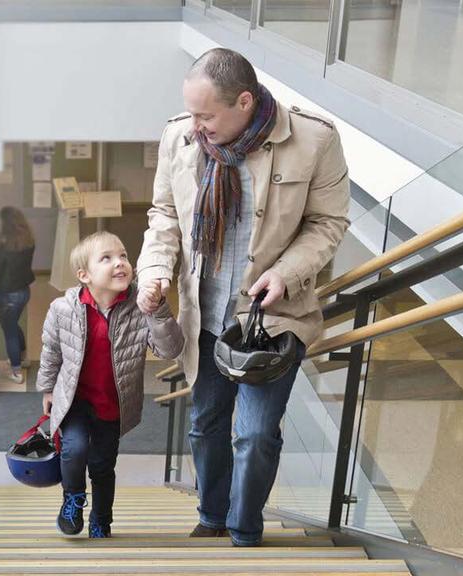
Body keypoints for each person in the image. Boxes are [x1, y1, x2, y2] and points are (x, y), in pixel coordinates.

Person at [136, 48, 350, 546]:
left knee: (254, 434)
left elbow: (328, 223)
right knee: (206, 423)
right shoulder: (180, 137)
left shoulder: (315, 140)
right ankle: (211, 515)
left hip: (272, 320)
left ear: (245, 102)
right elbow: (164, 213)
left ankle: (244, 529)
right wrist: (154, 271)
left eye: (206, 115)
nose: (195, 125)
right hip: (205, 317)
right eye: (191, 112)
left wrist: (286, 272)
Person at [37, 231, 184, 538]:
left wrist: (157, 310)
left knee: (102, 466)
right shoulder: (62, 309)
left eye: (123, 256)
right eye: (107, 258)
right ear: (84, 275)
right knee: (74, 450)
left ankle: (101, 520)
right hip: (75, 400)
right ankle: (73, 498)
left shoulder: (138, 306)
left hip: (113, 403)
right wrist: (48, 389)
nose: (120, 263)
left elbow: (170, 350)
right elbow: (51, 351)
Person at [0, 206, 36, 383]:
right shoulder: (29, 240)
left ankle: (16, 371)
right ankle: (21, 357)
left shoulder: (4, 245)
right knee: (13, 325)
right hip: (24, 292)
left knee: (9, 332)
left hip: (7, 295)